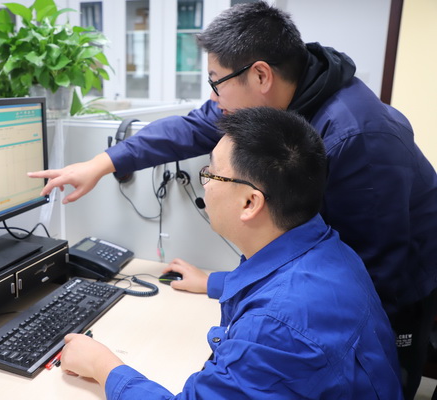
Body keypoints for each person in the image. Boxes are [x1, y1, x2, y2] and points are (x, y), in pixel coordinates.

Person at [31, 3, 437, 398]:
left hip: (400, 275)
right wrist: (102, 163)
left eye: (216, 81)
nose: (213, 99)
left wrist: (106, 368)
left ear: (260, 75)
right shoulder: (268, 103)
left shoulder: (358, 138)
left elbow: (368, 278)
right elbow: (190, 129)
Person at [60, 107, 403, 399]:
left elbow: (281, 319)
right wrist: (212, 282)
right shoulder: (328, 249)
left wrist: (103, 367)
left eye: (211, 173)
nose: (205, 183)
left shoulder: (275, 327)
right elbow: (280, 283)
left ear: (250, 202)